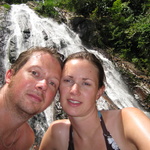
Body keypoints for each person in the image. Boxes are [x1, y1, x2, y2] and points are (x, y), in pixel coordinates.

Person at [39, 51, 150, 150]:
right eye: (68, 80)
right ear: (58, 86)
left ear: (99, 92)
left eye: (86, 83)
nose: (74, 90)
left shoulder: (125, 120)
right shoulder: (57, 134)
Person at [0, 47, 63, 150]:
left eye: (52, 83)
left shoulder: (25, 139)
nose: (43, 85)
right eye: (34, 73)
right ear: (10, 76)